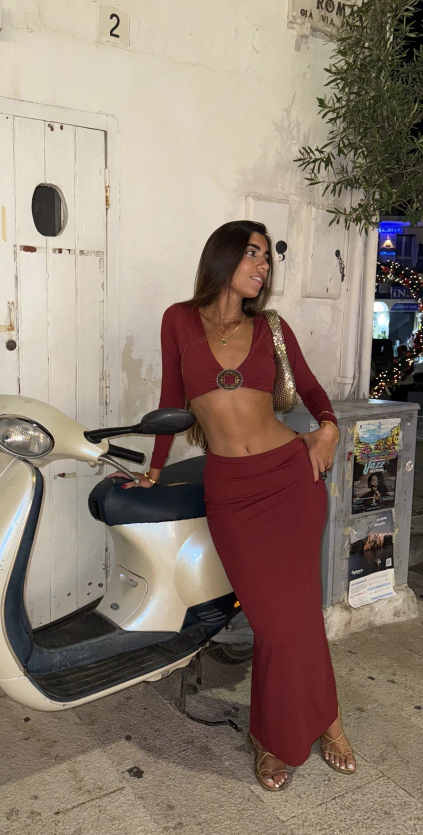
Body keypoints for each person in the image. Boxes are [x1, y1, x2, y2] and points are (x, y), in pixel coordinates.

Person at [116, 221, 355, 790]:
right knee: (276, 624)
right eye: (253, 254)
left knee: (298, 615)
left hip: (291, 482)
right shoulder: (178, 320)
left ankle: (308, 728)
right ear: (223, 257)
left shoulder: (272, 328)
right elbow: (171, 399)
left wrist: (327, 430)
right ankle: (311, 723)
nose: (263, 266)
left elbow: (313, 391)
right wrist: (154, 470)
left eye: (267, 258)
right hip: (234, 494)